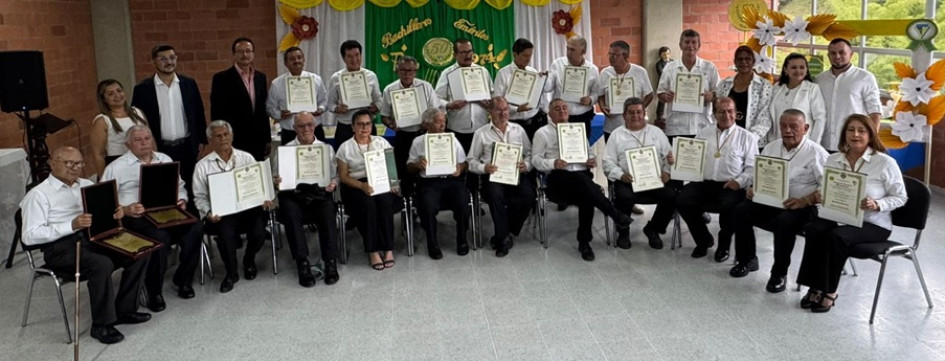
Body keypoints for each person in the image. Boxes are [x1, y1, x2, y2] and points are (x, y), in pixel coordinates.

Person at [20, 147, 149, 344]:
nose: (75, 168)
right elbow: (29, 236)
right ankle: (101, 325)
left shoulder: (87, 185)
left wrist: (119, 212)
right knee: (101, 264)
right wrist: (71, 225)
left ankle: (125, 310)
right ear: (52, 163)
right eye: (68, 163)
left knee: (139, 250)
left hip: (92, 238)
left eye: (79, 163)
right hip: (59, 248)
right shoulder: (38, 195)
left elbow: (103, 213)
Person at [797, 114, 907, 313]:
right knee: (814, 229)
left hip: (873, 224)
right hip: (840, 216)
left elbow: (901, 197)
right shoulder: (833, 159)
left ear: (870, 135)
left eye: (861, 131)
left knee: (836, 237)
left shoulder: (884, 163)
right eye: (850, 130)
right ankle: (814, 286)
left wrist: (877, 204)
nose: (855, 134)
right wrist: (824, 196)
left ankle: (829, 291)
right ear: (844, 134)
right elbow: (825, 187)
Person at [101, 125, 203, 310]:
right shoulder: (116, 168)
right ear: (128, 144)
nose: (144, 143)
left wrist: (182, 200)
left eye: (147, 138)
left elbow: (179, 186)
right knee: (160, 238)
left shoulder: (164, 159)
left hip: (166, 211)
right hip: (136, 217)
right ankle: (154, 291)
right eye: (138, 140)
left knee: (194, 227)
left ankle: (183, 278)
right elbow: (105, 202)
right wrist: (126, 209)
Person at [729, 110, 828, 293]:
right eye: (783, 126)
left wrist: (805, 200)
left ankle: (778, 273)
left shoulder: (816, 153)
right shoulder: (770, 147)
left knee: (784, 222)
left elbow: (827, 188)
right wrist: (754, 188)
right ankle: (747, 259)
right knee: (740, 210)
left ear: (805, 128)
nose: (787, 130)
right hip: (771, 201)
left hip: (803, 207)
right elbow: (761, 175)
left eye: (794, 126)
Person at [533, 98, 632, 260]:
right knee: (585, 186)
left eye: (565, 108)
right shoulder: (542, 133)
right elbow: (536, 161)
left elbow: (590, 154)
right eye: (557, 108)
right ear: (550, 113)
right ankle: (614, 214)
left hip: (582, 178)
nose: (562, 111)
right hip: (558, 179)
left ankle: (584, 242)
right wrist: (553, 162)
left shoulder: (577, 130)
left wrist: (590, 160)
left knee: (586, 193)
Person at [193, 120, 273, 293]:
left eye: (226, 134)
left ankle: (249, 260)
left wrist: (265, 197)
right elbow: (199, 197)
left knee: (259, 232)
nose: (223, 139)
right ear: (210, 140)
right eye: (218, 136)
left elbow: (259, 185)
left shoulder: (246, 158)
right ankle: (231, 272)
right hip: (222, 213)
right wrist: (208, 212)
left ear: (232, 136)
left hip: (248, 209)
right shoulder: (202, 166)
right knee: (225, 234)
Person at [676, 97, 758, 261]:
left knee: (729, 206)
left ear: (736, 114)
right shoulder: (704, 133)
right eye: (721, 111)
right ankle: (703, 240)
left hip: (731, 185)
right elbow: (692, 158)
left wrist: (739, 182)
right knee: (681, 199)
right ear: (714, 114)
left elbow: (752, 169)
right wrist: (678, 161)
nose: (726, 115)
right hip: (704, 183)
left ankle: (724, 246)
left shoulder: (747, 138)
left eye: (730, 111)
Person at [132, 44, 208, 196]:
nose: (169, 62)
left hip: (187, 146)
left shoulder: (189, 84)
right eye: (163, 59)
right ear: (154, 62)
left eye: (172, 58)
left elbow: (198, 112)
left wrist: (201, 140)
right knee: (164, 189)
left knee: (191, 189)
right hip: (159, 148)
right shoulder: (142, 89)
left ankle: (193, 218)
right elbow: (137, 121)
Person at [603, 97, 677, 250]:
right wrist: (620, 175)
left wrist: (667, 171)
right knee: (623, 196)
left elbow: (669, 156)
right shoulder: (616, 135)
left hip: (655, 179)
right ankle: (623, 233)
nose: (635, 116)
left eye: (639, 112)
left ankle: (653, 229)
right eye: (631, 113)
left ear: (644, 113)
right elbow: (607, 163)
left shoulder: (656, 132)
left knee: (672, 196)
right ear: (624, 115)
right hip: (627, 180)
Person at [276, 112, 340, 287]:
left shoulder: (326, 149)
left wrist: (333, 183)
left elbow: (335, 176)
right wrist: (277, 181)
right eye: (301, 126)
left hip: (319, 194)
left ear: (315, 126)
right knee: (289, 211)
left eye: (309, 125)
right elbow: (276, 179)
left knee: (327, 210)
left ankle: (330, 262)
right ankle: (302, 263)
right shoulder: (285, 151)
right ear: (294, 128)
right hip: (294, 195)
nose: (306, 129)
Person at [467, 97, 535, 257]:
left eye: (505, 109)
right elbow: (470, 161)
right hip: (492, 176)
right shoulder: (481, 133)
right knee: (495, 196)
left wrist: (526, 164)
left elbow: (530, 153)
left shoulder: (518, 129)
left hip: (516, 174)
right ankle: (502, 239)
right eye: (499, 110)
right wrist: (484, 167)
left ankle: (509, 230)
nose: (504, 113)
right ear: (490, 112)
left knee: (528, 195)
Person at [336, 109, 397, 270]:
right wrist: (362, 186)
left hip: (380, 181)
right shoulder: (345, 147)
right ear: (353, 127)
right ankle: (373, 250)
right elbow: (343, 176)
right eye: (360, 124)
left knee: (384, 203)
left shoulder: (381, 142)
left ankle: (388, 248)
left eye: (368, 123)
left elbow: (391, 169)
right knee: (368, 204)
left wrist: (393, 184)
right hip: (355, 185)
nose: (364, 127)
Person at [406, 108, 470, 259]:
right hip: (429, 182)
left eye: (444, 121)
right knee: (427, 206)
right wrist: (417, 165)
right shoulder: (418, 142)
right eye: (438, 121)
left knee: (463, 202)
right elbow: (408, 167)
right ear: (427, 124)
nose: (443, 125)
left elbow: (464, 162)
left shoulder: (451, 139)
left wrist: (460, 168)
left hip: (452, 180)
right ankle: (432, 242)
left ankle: (462, 238)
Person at [380, 55, 440, 196]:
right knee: (405, 173)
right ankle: (407, 209)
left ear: (416, 71)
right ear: (397, 70)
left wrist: (428, 122)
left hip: (423, 135)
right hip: (402, 136)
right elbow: (384, 116)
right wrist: (391, 124)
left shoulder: (426, 87)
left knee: (424, 171)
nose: (407, 74)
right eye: (403, 70)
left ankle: (423, 205)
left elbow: (436, 111)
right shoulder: (390, 89)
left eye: (411, 70)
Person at [815, 38, 882, 152]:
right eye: (833, 53)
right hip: (822, 144)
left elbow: (875, 112)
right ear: (828, 55)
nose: (837, 56)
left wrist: (870, 141)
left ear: (851, 54)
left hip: (853, 145)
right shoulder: (820, 79)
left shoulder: (865, 77)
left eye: (842, 52)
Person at [210, 37, 270, 161]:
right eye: (240, 51)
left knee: (256, 175)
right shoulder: (221, 78)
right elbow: (217, 112)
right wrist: (223, 139)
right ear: (234, 55)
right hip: (235, 139)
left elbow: (263, 111)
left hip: (258, 139)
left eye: (248, 51)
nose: (245, 54)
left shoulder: (260, 78)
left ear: (253, 53)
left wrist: (267, 138)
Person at [656, 29, 720, 139]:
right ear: (680, 45)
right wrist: (665, 96)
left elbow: (720, 92)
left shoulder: (709, 68)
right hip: (676, 127)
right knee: (678, 157)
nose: (690, 46)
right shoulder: (670, 68)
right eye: (686, 42)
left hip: (703, 126)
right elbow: (660, 93)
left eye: (694, 42)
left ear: (699, 45)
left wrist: (712, 96)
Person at [435, 38, 494, 152]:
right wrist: (449, 105)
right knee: (460, 165)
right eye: (463, 52)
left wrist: (489, 103)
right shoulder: (447, 73)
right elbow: (437, 98)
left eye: (470, 51)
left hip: (481, 127)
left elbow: (492, 94)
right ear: (455, 55)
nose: (468, 55)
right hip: (457, 129)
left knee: (478, 166)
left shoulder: (482, 71)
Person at [266, 46, 328, 145]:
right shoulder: (277, 84)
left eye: (299, 57)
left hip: (314, 130)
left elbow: (324, 101)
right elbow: (270, 108)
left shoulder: (316, 80)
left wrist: (320, 109)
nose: (296, 61)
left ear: (304, 60)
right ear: (286, 63)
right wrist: (280, 115)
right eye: (292, 59)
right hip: (290, 133)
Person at [327, 40, 383, 148]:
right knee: (344, 161)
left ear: (361, 55)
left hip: (366, 126)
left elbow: (379, 100)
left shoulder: (371, 76)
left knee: (370, 160)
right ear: (344, 58)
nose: (354, 60)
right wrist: (337, 109)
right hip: (345, 127)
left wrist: (375, 107)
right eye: (350, 56)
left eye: (357, 55)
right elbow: (330, 104)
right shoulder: (336, 78)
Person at [492, 38, 550, 140]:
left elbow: (540, 95)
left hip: (534, 122)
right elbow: (497, 102)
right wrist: (517, 109)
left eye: (530, 55)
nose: (528, 59)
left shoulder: (533, 72)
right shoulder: (503, 74)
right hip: (514, 123)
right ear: (515, 54)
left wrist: (543, 80)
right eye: (524, 55)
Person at [90, 79, 148, 178]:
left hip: (142, 162)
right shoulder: (102, 121)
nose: (117, 95)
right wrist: (105, 180)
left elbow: (150, 140)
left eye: (119, 90)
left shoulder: (137, 112)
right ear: (103, 99)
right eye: (110, 94)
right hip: (117, 166)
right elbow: (98, 155)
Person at [597, 40, 654, 141]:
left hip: (635, 126)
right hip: (612, 127)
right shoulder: (605, 73)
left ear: (626, 56)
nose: (611, 57)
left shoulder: (640, 72)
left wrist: (638, 110)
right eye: (609, 54)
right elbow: (600, 95)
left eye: (615, 55)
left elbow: (649, 95)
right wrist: (602, 107)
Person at [715, 45, 773, 140]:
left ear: (754, 62)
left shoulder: (764, 85)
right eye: (740, 59)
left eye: (747, 59)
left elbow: (764, 116)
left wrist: (749, 138)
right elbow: (717, 111)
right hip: (727, 138)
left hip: (753, 140)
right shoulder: (724, 84)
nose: (744, 62)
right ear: (735, 62)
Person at [769, 53, 827, 145]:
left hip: (802, 143)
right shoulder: (776, 88)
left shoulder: (812, 89)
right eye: (793, 67)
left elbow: (820, 118)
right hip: (777, 141)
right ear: (785, 70)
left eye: (802, 67)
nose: (798, 71)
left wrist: (813, 143)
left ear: (807, 70)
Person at [548, 36, 599, 139]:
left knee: (581, 151)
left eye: (572, 49)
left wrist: (590, 99)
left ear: (583, 51)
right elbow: (547, 88)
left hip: (582, 117)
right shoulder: (557, 64)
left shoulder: (592, 69)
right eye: (567, 48)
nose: (568, 52)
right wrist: (543, 79)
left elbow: (597, 92)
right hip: (560, 118)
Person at [654, 46, 672, 121]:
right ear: (660, 55)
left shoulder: (673, 62)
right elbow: (661, 73)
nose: (666, 56)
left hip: (672, 84)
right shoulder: (659, 64)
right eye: (664, 54)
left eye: (668, 54)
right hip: (663, 84)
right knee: (661, 101)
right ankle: (659, 116)